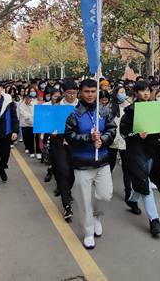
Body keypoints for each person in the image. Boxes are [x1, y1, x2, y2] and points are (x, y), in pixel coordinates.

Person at [64, 79, 116, 249]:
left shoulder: (104, 111)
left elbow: (112, 130)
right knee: (84, 200)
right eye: (87, 91)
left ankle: (96, 216)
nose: (90, 95)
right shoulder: (74, 115)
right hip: (82, 164)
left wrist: (103, 140)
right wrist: (88, 138)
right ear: (80, 92)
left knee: (106, 195)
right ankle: (88, 232)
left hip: (102, 161)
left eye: (93, 91)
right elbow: (70, 137)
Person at [120, 81, 160, 236]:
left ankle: (132, 200)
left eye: (148, 90)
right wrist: (137, 134)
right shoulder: (130, 111)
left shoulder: (154, 108)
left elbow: (158, 126)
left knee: (143, 180)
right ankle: (154, 220)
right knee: (145, 183)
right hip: (135, 151)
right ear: (136, 93)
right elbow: (124, 132)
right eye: (142, 90)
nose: (146, 93)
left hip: (151, 150)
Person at [50, 80, 78, 221]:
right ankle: (67, 206)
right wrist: (52, 131)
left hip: (77, 144)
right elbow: (50, 124)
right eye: (69, 93)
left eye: (74, 93)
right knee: (63, 172)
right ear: (63, 92)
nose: (72, 96)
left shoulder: (81, 106)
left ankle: (66, 190)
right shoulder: (57, 107)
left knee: (72, 174)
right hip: (60, 144)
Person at [108, 85, 132, 201]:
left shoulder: (129, 106)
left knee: (127, 168)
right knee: (110, 165)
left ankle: (128, 192)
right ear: (115, 94)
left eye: (124, 92)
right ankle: (105, 186)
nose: (123, 94)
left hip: (125, 140)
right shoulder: (110, 107)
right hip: (112, 140)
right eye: (120, 92)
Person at [18, 87, 38, 158]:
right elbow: (23, 113)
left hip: (32, 124)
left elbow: (34, 113)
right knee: (25, 137)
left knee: (31, 137)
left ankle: (32, 151)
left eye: (30, 99)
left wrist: (31, 117)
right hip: (24, 124)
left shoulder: (34, 104)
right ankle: (27, 147)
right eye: (27, 98)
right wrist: (30, 116)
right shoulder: (21, 104)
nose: (29, 100)